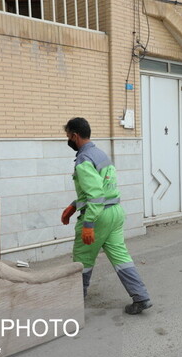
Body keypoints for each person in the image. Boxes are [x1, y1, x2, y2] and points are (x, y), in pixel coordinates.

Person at [61, 117, 152, 315]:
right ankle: (141, 297)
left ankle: (75, 305)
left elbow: (95, 195)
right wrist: (74, 205)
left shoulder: (84, 160)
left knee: (82, 259)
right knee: (121, 257)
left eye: (68, 135)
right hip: (115, 213)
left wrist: (88, 224)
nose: (67, 138)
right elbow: (102, 189)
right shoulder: (100, 154)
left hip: (98, 216)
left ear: (75, 136)